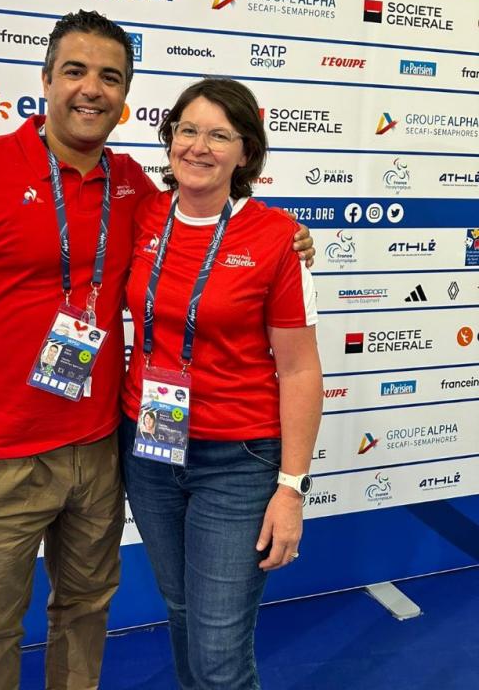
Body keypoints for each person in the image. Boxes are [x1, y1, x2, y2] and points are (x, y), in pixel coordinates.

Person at [0, 10, 315, 690]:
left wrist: (290, 240)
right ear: (45, 80)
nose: (91, 89)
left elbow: (208, 221)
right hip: (1, 453)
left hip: (103, 447)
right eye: (75, 71)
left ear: (125, 98)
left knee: (86, 611)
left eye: (110, 77)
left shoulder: (135, 188)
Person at [120, 77, 323, 690]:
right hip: (150, 446)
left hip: (237, 459)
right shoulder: (143, 212)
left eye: (219, 135)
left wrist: (291, 488)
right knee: (181, 612)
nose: (199, 147)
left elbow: (300, 368)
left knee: (218, 650)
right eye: (187, 130)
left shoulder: (274, 238)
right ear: (169, 138)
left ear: (245, 154)